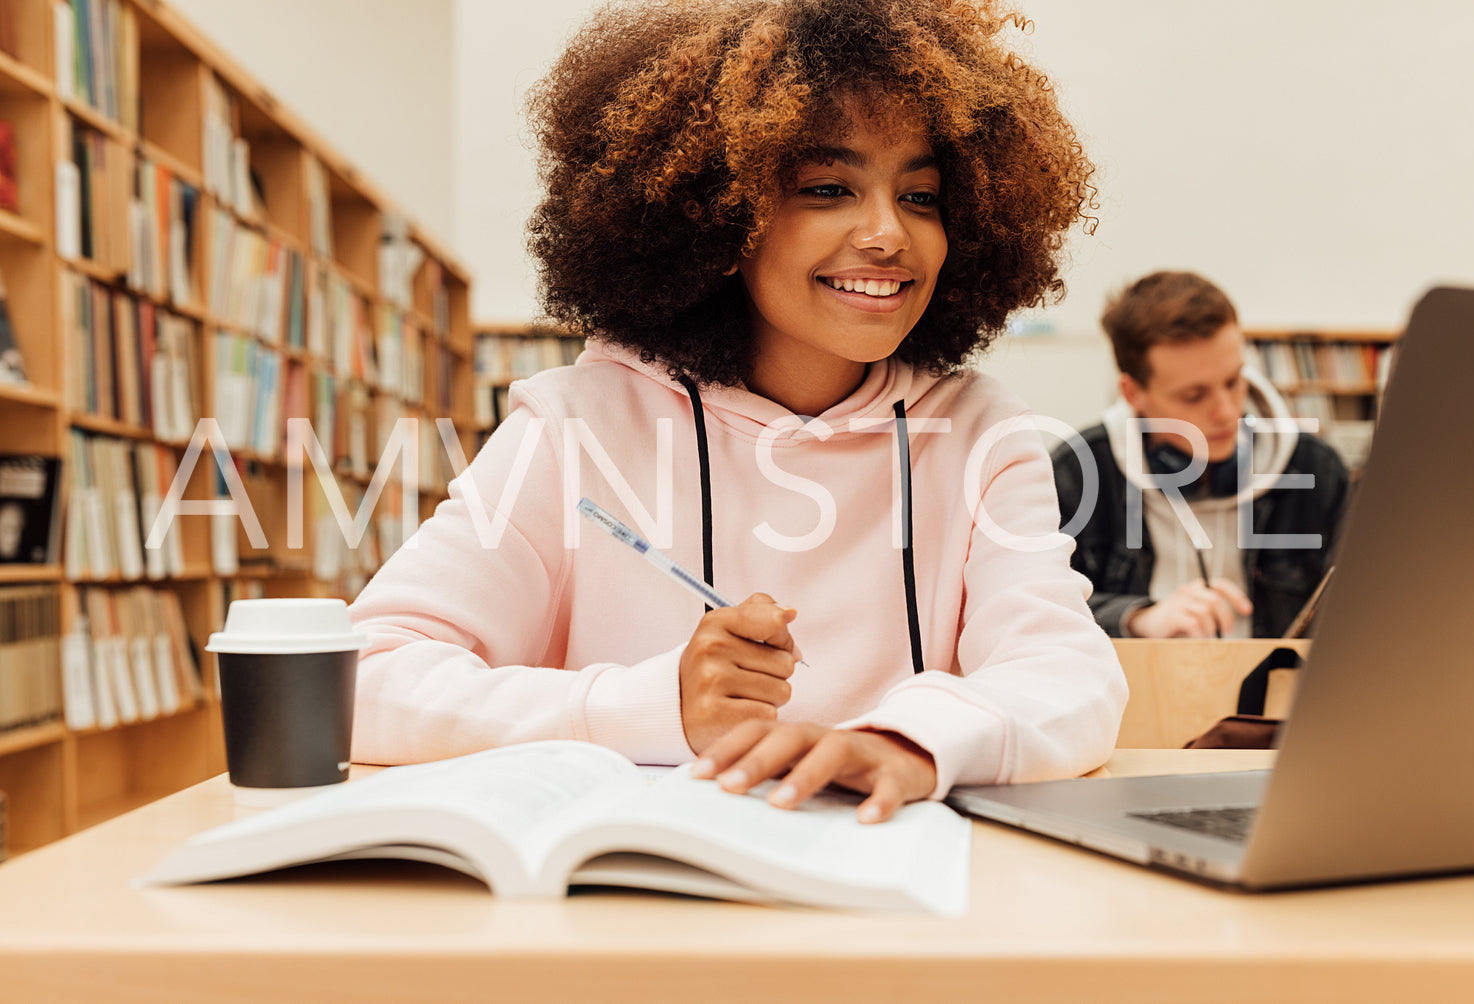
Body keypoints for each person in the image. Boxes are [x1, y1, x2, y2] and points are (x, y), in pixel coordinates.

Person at [349, 0, 1126, 823]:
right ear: (716, 216)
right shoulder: (576, 423)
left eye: (921, 196)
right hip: (642, 899)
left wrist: (908, 743)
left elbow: (1068, 674)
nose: (887, 234)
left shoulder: (979, 431)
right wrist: (652, 707)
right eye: (827, 189)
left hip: (891, 889)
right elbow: (365, 675)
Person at [1051, 271, 1349, 639]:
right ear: (1132, 393)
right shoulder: (1076, 474)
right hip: (1139, 690)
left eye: (1233, 381)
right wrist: (1136, 620)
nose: (1226, 412)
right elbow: (1039, 607)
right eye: (1194, 396)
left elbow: (1362, 610)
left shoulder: (1315, 469)